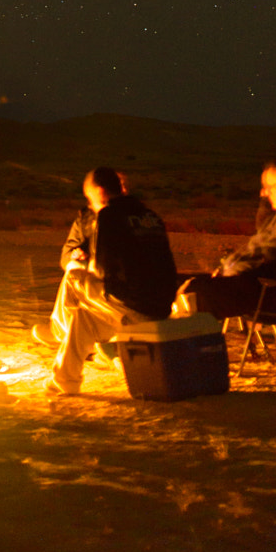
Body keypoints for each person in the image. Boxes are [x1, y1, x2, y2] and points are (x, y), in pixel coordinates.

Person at [35, 166, 177, 395]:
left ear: (99, 192)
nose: (89, 203)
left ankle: (58, 330)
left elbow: (102, 270)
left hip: (132, 303)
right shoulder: (150, 216)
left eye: (89, 197)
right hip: (160, 306)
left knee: (74, 276)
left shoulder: (109, 216)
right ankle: (65, 380)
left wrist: (84, 263)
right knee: (84, 319)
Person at [174, 158, 276, 320]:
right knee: (171, 281)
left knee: (194, 292)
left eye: (271, 187)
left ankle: (180, 340)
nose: (265, 192)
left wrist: (233, 270)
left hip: (267, 296)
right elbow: (262, 239)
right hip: (252, 286)